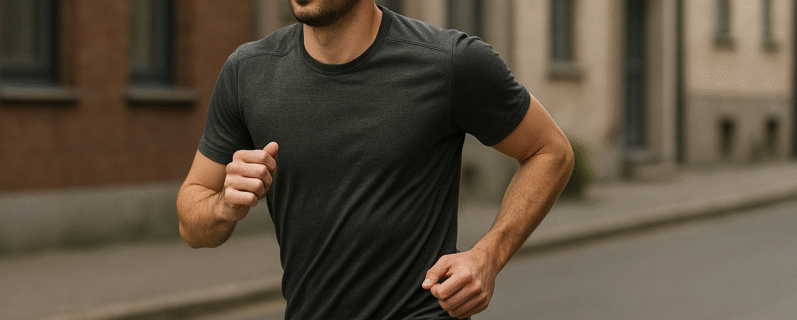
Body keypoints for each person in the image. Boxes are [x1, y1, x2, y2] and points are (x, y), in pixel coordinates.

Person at [176, 0, 574, 319]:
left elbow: (550, 151)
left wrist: (488, 256)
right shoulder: (248, 72)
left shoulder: (451, 62)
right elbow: (192, 224)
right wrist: (224, 207)